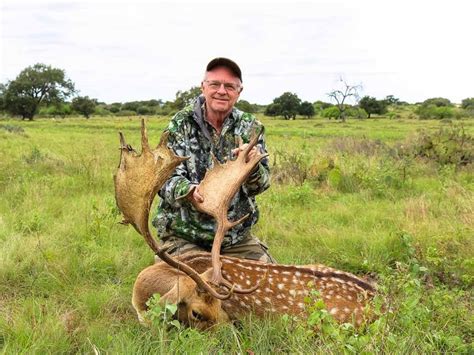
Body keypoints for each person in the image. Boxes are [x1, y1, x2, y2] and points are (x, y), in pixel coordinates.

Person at [152, 57, 276, 263]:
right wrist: (188, 191)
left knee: (270, 287)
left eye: (229, 86)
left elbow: (261, 185)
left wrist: (253, 167)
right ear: (203, 87)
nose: (221, 91)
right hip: (185, 235)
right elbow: (163, 179)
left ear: (239, 91)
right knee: (187, 291)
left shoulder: (250, 127)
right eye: (214, 84)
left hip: (235, 238)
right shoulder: (180, 124)